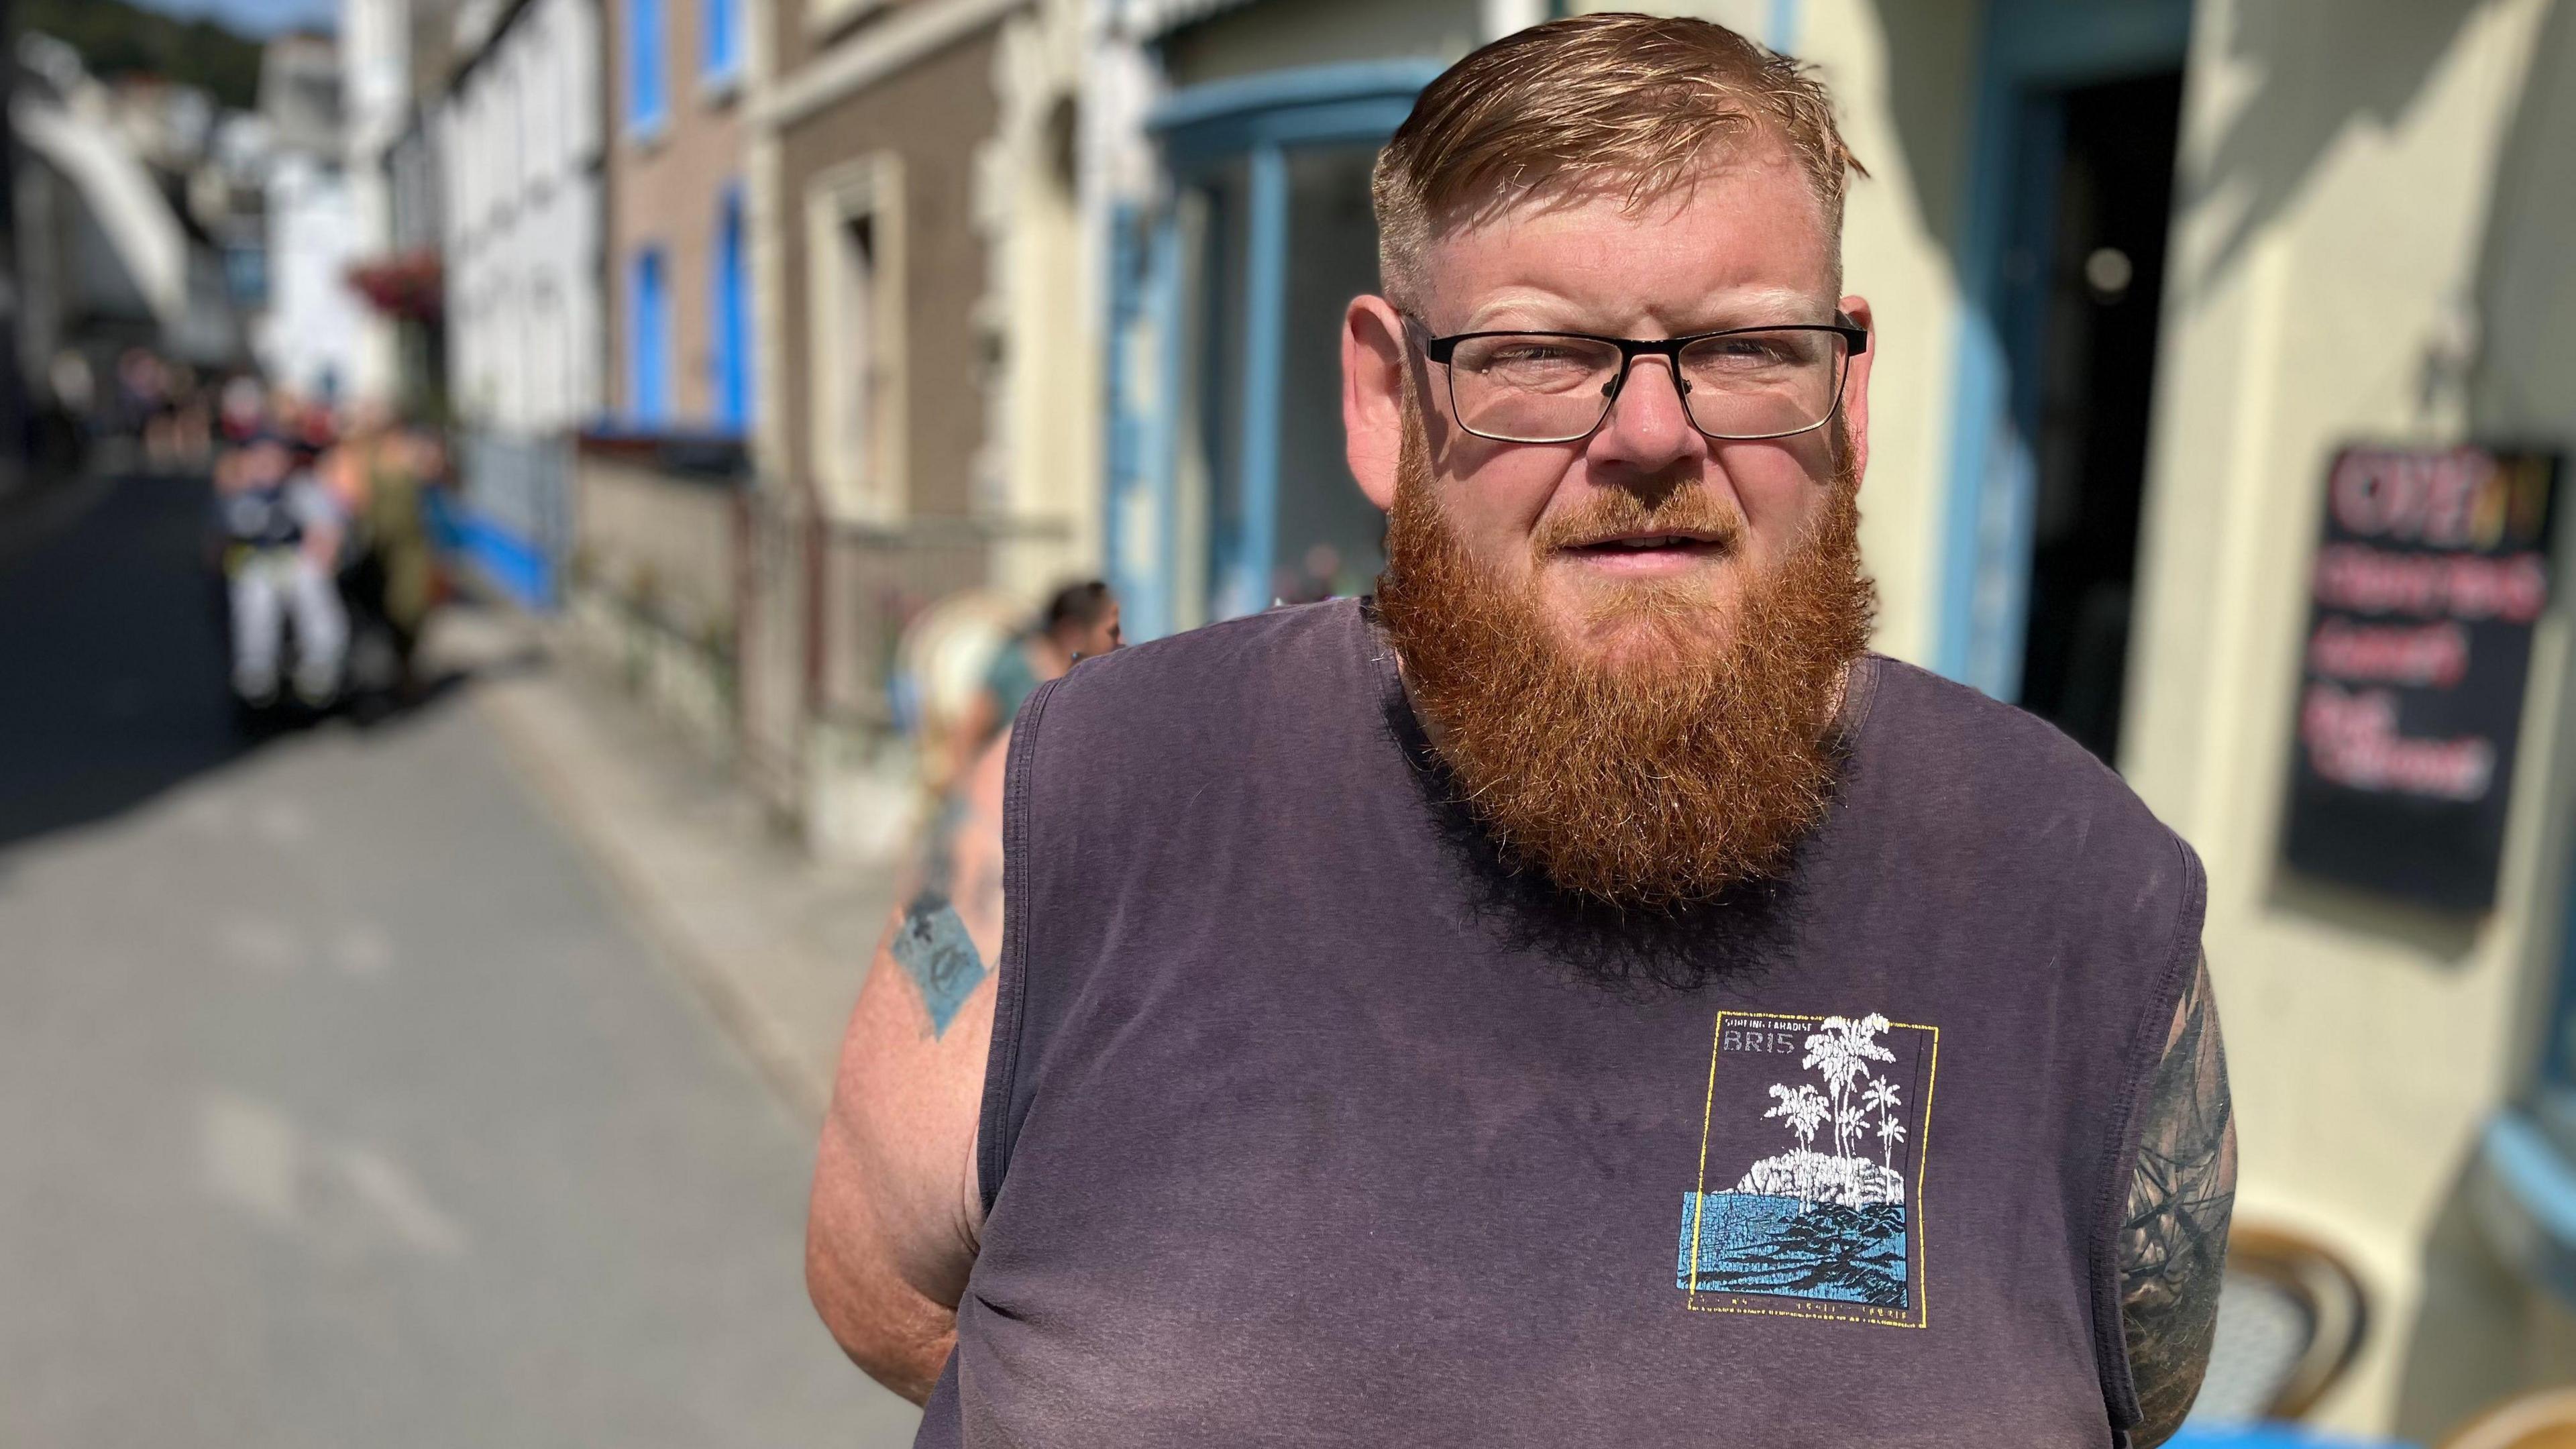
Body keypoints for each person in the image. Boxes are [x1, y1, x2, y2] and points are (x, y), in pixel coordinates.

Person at [806, 15, 2233, 1448]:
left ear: (1845, 394)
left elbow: (2149, 1389)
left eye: (1742, 345)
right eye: (1539, 352)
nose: (1653, 436)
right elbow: (886, 1297)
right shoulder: (1065, 806)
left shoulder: (2081, 898)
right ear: (1386, 399)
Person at [213, 429, 347, 708]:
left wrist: (324, 543)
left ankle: (320, 662)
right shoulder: (237, 494)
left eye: (275, 459)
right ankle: (256, 668)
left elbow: (327, 526)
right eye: (259, 459)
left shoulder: (301, 490)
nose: (268, 465)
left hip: (296, 562)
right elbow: (219, 539)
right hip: (256, 566)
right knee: (255, 602)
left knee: (314, 589)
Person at [945, 581, 1122, 786]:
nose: (1119, 639)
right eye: (1110, 630)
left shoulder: (1094, 683)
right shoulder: (1015, 668)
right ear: (1073, 633)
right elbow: (966, 737)